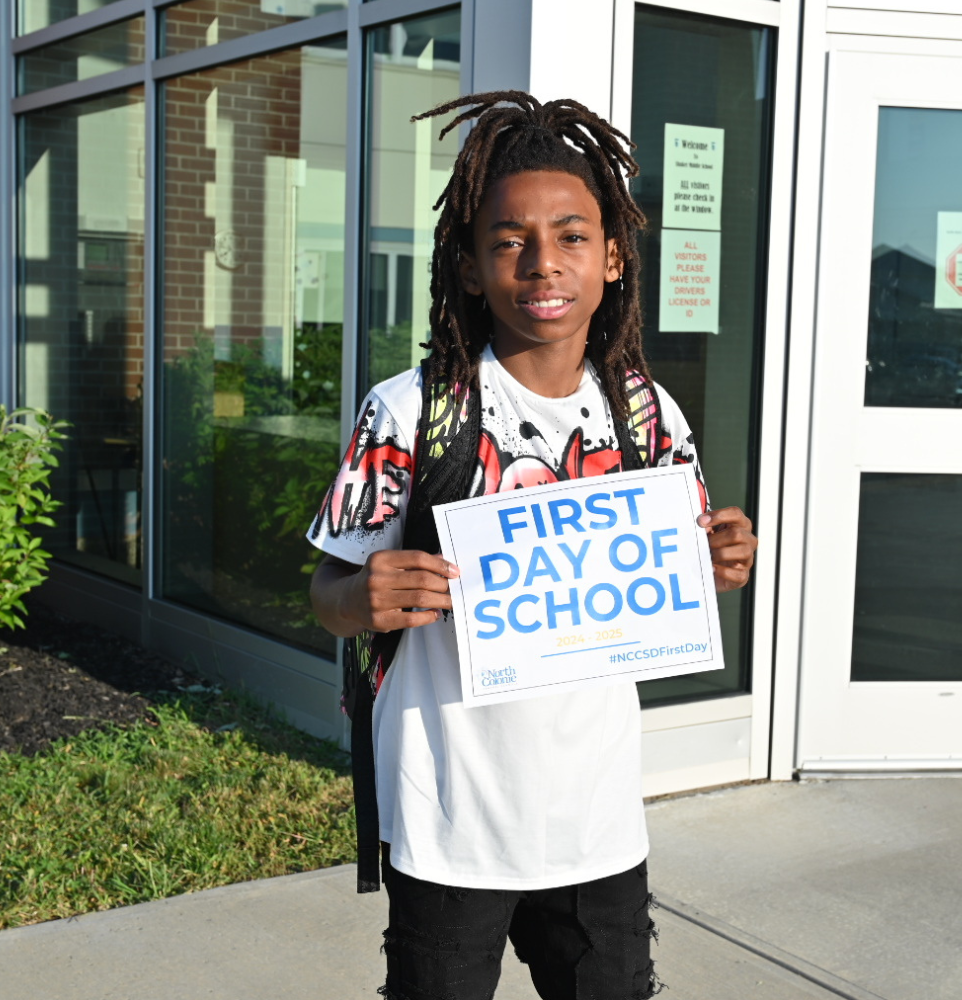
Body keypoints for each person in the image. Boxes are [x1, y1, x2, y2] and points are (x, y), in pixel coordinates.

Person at [306, 91, 758, 1000]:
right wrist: (364, 598)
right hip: (449, 813)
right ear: (471, 268)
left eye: (572, 235)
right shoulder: (412, 412)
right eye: (509, 239)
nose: (542, 262)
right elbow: (330, 593)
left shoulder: (644, 414)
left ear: (614, 256)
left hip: (594, 819)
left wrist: (725, 559)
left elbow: (683, 573)